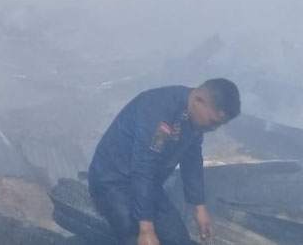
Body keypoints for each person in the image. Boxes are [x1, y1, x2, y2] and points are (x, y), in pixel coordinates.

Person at [88, 78, 241, 245]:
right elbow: (143, 167)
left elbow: (192, 160)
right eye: (213, 122)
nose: (213, 128)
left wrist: (199, 206)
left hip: (148, 185)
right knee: (137, 238)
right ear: (199, 100)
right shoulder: (159, 110)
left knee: (178, 239)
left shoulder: (194, 120)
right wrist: (146, 228)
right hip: (113, 181)